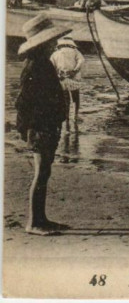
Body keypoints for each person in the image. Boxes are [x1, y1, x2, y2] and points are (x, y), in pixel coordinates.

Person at [15, 14, 72, 235]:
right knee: (41, 172)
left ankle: (41, 218)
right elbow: (23, 102)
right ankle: (34, 222)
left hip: (46, 125)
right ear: (42, 43)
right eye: (51, 41)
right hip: (40, 127)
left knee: (44, 172)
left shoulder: (42, 63)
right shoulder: (34, 66)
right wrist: (27, 129)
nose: (55, 44)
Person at [49, 36, 85, 132]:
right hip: (73, 77)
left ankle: (67, 117)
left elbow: (51, 67)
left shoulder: (55, 54)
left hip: (62, 78)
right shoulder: (75, 52)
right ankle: (76, 116)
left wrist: (57, 75)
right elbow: (81, 61)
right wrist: (74, 70)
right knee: (76, 98)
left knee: (66, 99)